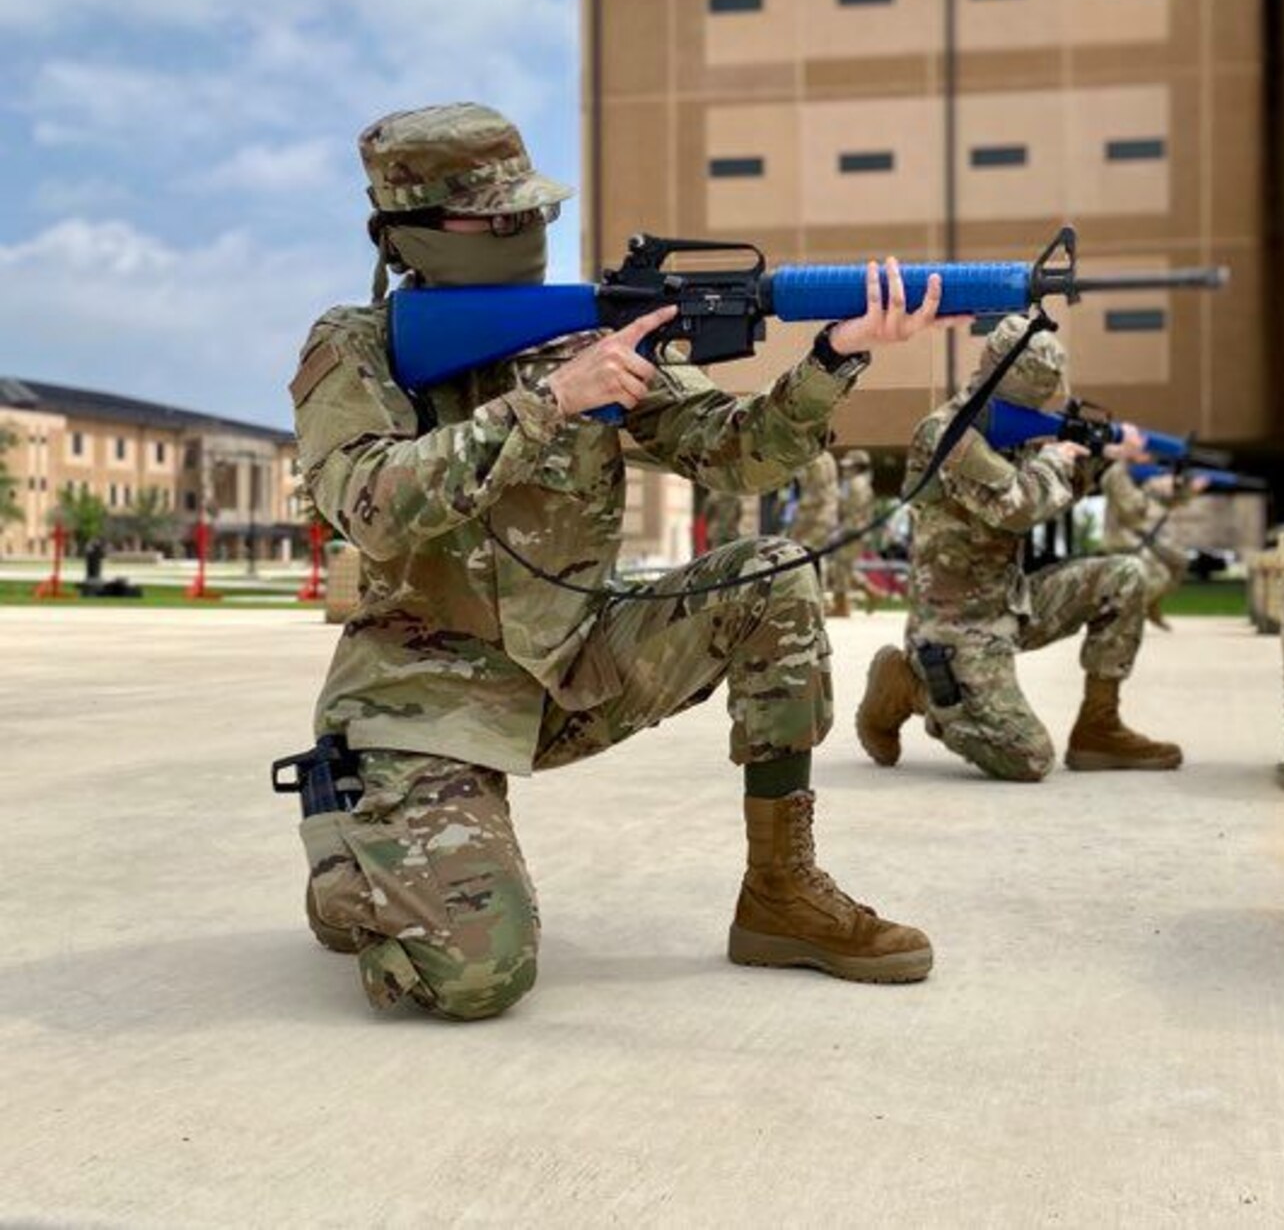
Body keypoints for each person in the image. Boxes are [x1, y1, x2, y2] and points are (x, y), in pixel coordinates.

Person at [291, 102, 953, 1020]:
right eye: (494, 218)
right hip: (425, 700)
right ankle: (347, 848)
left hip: (573, 669)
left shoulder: (585, 335)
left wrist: (833, 357)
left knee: (772, 578)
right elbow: (368, 502)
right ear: (404, 233)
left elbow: (740, 452)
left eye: (531, 213)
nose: (523, 232)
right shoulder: (355, 346)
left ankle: (781, 893)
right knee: (477, 978)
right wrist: (551, 402)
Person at [853, 316, 1182, 781]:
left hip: (1012, 601)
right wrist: (1055, 456)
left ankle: (1098, 730)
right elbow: (1018, 506)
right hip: (956, 627)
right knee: (1028, 758)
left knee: (1125, 576)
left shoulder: (1015, 431)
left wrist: (1096, 458)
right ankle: (910, 687)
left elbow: (1047, 496)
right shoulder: (949, 434)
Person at [1101, 462, 1208, 630]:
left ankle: (1152, 604)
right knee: (1160, 575)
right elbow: (1133, 509)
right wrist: (1156, 486)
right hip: (1125, 539)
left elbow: (1167, 502)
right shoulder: (1119, 475)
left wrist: (1185, 490)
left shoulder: (1142, 480)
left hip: (1144, 537)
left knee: (1179, 562)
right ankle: (1119, 613)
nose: (1147, 455)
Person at [787, 446, 841, 611]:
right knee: (814, 555)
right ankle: (818, 599)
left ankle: (815, 600)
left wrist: (798, 513)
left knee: (804, 555)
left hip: (813, 515)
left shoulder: (813, 460)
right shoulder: (828, 458)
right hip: (827, 514)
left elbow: (815, 493)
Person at [826, 449, 876, 616]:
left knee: (840, 566)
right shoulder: (857, 482)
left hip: (852, 531)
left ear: (857, 467)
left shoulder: (857, 484)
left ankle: (842, 607)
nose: (845, 470)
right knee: (844, 567)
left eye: (849, 467)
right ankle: (872, 592)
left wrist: (842, 532)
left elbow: (856, 513)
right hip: (854, 530)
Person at [696, 484, 750, 553]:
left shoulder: (713, 497)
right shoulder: (735, 497)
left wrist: (710, 526)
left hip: (716, 532)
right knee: (730, 556)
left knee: (716, 556)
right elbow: (739, 514)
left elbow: (706, 515)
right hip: (731, 531)